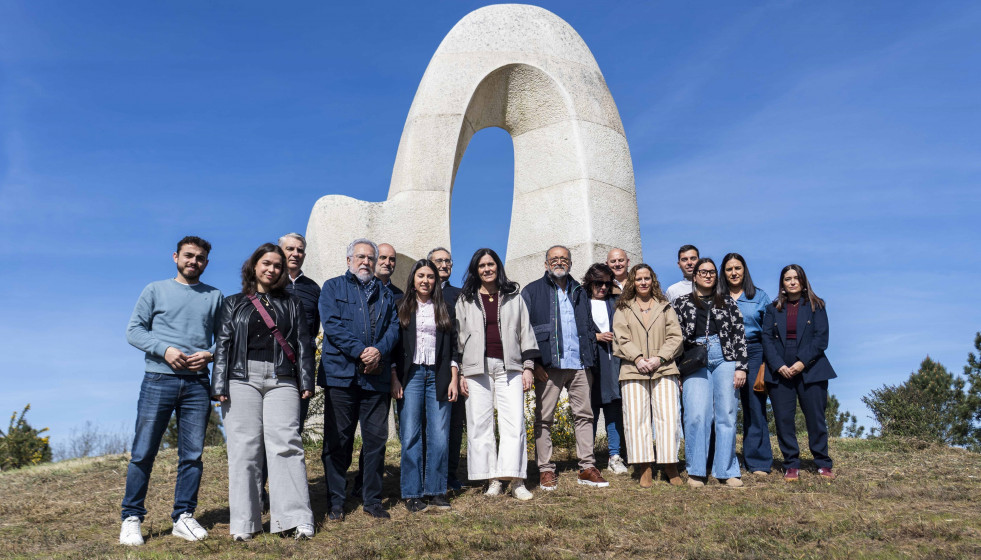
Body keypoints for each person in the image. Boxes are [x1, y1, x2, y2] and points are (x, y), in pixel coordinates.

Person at [121, 236, 223, 546]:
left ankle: (183, 516)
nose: (194, 261)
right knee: (143, 452)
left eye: (200, 258)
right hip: (158, 380)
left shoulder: (215, 296)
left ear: (206, 263)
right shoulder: (155, 290)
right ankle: (131, 518)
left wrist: (209, 354)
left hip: (197, 384)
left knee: (192, 455)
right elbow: (134, 331)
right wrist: (164, 350)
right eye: (189, 255)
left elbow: (225, 340)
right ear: (176, 257)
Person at [211, 243, 315, 541]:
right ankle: (245, 524)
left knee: (287, 444)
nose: (272, 269)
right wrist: (218, 384)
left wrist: (306, 381)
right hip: (241, 379)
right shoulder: (233, 303)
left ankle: (296, 519)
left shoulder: (293, 303)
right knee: (244, 449)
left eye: (277, 266)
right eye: (266, 263)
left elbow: (304, 343)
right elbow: (223, 345)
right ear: (254, 265)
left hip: (282, 377)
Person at [318, 238, 400, 520]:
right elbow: (332, 325)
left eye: (370, 258)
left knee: (376, 441)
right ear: (349, 260)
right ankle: (336, 502)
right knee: (338, 441)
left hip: (375, 379)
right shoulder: (332, 287)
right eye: (360, 257)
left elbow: (393, 329)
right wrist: (361, 351)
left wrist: (378, 351)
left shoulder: (386, 294)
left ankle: (372, 499)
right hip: (341, 376)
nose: (365, 262)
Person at [455, 248, 539, 500]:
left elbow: (526, 331)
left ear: (498, 267)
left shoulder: (514, 297)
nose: (487, 269)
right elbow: (459, 338)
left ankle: (516, 480)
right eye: (482, 266)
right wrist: (460, 373)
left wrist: (528, 367)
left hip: (509, 367)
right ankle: (492, 478)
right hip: (475, 368)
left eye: (490, 264)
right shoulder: (465, 299)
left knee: (514, 422)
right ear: (476, 270)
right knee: (480, 424)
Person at [523, 246, 608, 490]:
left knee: (584, 415)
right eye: (554, 259)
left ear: (570, 263)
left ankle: (587, 467)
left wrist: (590, 361)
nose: (559, 262)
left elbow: (587, 326)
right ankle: (546, 469)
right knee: (544, 418)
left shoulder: (579, 291)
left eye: (564, 259)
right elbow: (523, 329)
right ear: (546, 263)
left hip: (579, 364)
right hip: (549, 365)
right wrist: (534, 363)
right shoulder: (532, 290)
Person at [672, 258, 749, 488]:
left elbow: (738, 334)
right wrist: (677, 371)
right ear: (695, 276)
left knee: (727, 414)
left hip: (725, 357)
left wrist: (741, 366)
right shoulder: (681, 303)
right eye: (703, 272)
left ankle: (726, 470)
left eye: (712, 272)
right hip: (694, 358)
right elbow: (674, 338)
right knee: (696, 413)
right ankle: (696, 470)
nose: (708, 275)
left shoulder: (727, 301)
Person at [391, 260, 459, 512]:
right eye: (421, 275)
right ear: (413, 278)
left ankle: (436, 490)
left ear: (435, 281)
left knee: (439, 435)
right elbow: (394, 346)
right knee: (411, 434)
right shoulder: (401, 306)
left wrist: (454, 378)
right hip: (411, 376)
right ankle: (412, 493)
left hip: (439, 375)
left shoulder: (445, 308)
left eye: (430, 276)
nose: (426, 281)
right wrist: (394, 377)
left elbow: (454, 347)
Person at [761, 264, 837, 481]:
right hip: (781, 370)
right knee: (784, 419)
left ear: (803, 281)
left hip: (811, 368)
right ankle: (791, 464)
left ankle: (822, 462)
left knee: (815, 418)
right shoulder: (772, 309)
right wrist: (778, 365)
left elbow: (821, 339)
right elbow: (766, 338)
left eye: (796, 278)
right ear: (782, 284)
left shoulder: (816, 305)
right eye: (788, 279)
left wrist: (802, 362)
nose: (792, 282)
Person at [612, 264, 684, 487]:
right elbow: (621, 338)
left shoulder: (665, 306)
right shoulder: (623, 308)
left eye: (647, 278)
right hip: (632, 369)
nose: (643, 282)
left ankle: (670, 464)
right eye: (638, 279)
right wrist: (638, 359)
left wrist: (659, 358)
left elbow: (675, 336)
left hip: (664, 368)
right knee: (636, 418)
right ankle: (644, 466)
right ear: (632, 282)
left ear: (653, 280)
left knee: (669, 417)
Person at [719, 253, 773, 475]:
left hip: (754, 351)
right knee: (724, 407)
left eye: (737, 268)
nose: (734, 273)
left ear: (744, 270)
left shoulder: (759, 296)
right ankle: (723, 457)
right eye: (729, 269)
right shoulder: (717, 297)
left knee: (754, 405)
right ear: (723, 273)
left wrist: (768, 361)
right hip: (724, 352)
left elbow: (769, 331)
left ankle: (758, 461)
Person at [583, 263, 627, 475]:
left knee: (613, 408)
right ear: (589, 282)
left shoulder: (615, 303)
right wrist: (596, 337)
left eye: (607, 284)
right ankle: (587, 458)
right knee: (589, 411)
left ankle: (614, 456)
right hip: (590, 363)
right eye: (598, 283)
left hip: (612, 362)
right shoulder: (580, 303)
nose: (603, 287)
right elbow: (574, 330)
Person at [428, 246, 465, 491]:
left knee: (454, 424)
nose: (444, 265)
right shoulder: (420, 293)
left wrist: (460, 370)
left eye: (448, 261)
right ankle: (428, 472)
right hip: (425, 369)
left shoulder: (460, 295)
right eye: (439, 261)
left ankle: (450, 474)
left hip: (454, 369)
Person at [279, 233, 322, 433]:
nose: (295, 254)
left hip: (303, 362)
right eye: (290, 249)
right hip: (273, 361)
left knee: (297, 420)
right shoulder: (268, 283)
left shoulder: (313, 288)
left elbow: (315, 327)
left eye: (300, 250)